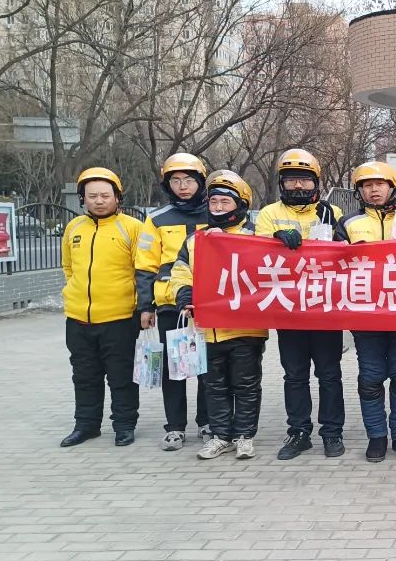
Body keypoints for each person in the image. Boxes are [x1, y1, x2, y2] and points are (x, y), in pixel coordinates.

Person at [171, 171, 269, 460]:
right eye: (213, 201)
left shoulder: (257, 237)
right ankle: (220, 436)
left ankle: (244, 436)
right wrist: (184, 296)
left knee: (246, 385)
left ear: (240, 204)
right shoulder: (196, 240)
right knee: (213, 386)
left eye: (225, 202)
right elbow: (180, 272)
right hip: (208, 329)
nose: (218, 207)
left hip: (246, 328)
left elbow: (273, 270)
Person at [254, 149, 345, 460]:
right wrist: (275, 237)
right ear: (281, 182)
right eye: (291, 179)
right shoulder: (269, 214)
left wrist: (337, 236)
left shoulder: (331, 212)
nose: (298, 186)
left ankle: (332, 432)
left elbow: (346, 255)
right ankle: (299, 432)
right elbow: (255, 252)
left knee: (329, 375)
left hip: (324, 308)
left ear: (316, 182)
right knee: (294, 376)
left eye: (304, 180)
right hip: (289, 309)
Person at [336, 161, 396, 462]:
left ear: (392, 188)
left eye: (379, 184)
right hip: (365, 315)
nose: (374, 190)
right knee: (371, 377)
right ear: (360, 191)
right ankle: (376, 436)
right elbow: (331, 262)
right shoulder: (348, 223)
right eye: (367, 185)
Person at [60, 168, 144, 447]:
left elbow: (143, 270)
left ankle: (124, 425)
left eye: (105, 195)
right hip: (78, 319)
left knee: (121, 377)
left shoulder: (132, 228)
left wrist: (140, 306)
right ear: (83, 198)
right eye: (92, 195)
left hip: (119, 318)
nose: (98, 201)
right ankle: (86, 426)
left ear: (117, 197)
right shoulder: (74, 228)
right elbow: (68, 267)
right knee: (84, 376)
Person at [135, 153, 210, 452]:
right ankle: (175, 427)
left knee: (207, 368)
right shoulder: (156, 219)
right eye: (176, 181)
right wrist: (145, 306)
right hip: (170, 305)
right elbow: (145, 265)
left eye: (189, 180)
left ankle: (207, 422)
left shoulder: (215, 213)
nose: (183, 186)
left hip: (208, 303)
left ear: (200, 182)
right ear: (167, 185)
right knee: (173, 369)